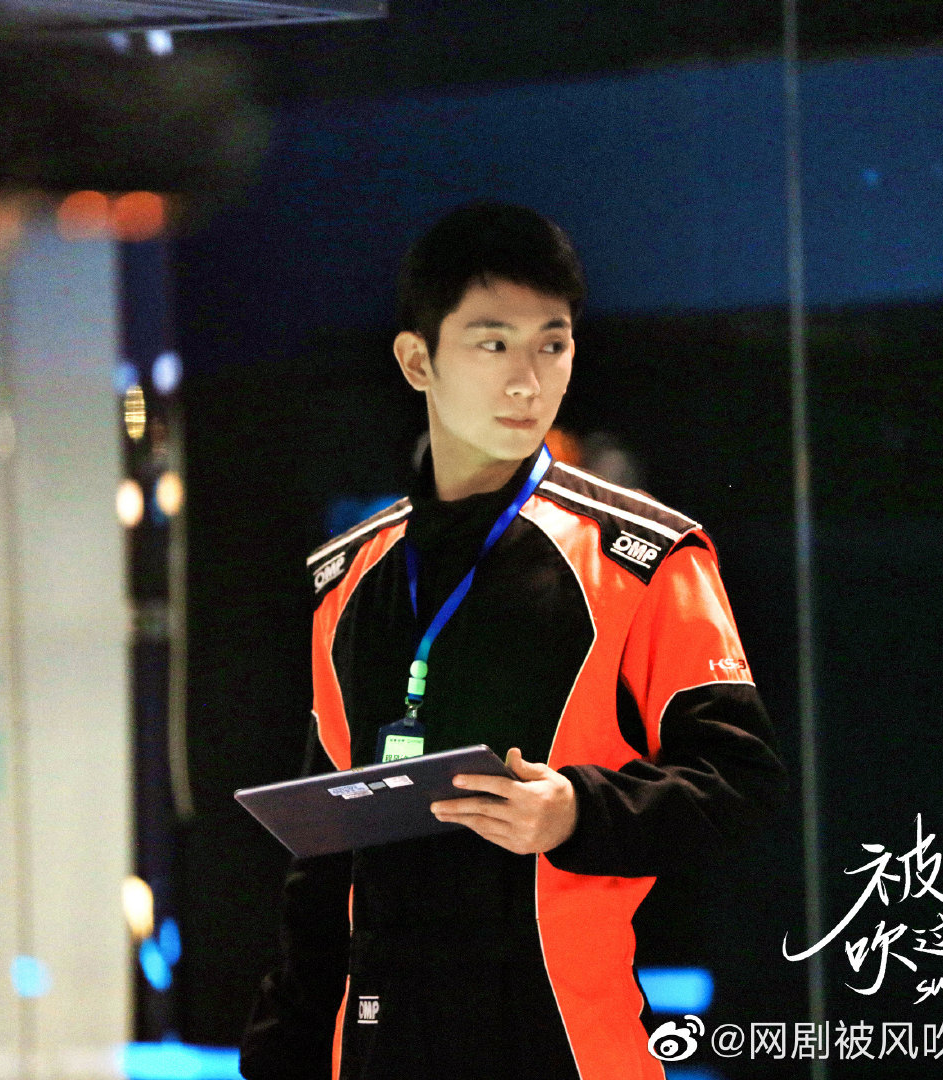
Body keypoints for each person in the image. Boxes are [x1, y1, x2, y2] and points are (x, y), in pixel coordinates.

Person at [240, 202, 786, 1080]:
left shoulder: (644, 559)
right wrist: (280, 1056)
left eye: (552, 345)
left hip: (563, 1042)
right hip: (377, 1044)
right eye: (493, 344)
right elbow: (324, 857)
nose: (528, 381)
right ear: (417, 360)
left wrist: (575, 812)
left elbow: (742, 784)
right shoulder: (345, 581)